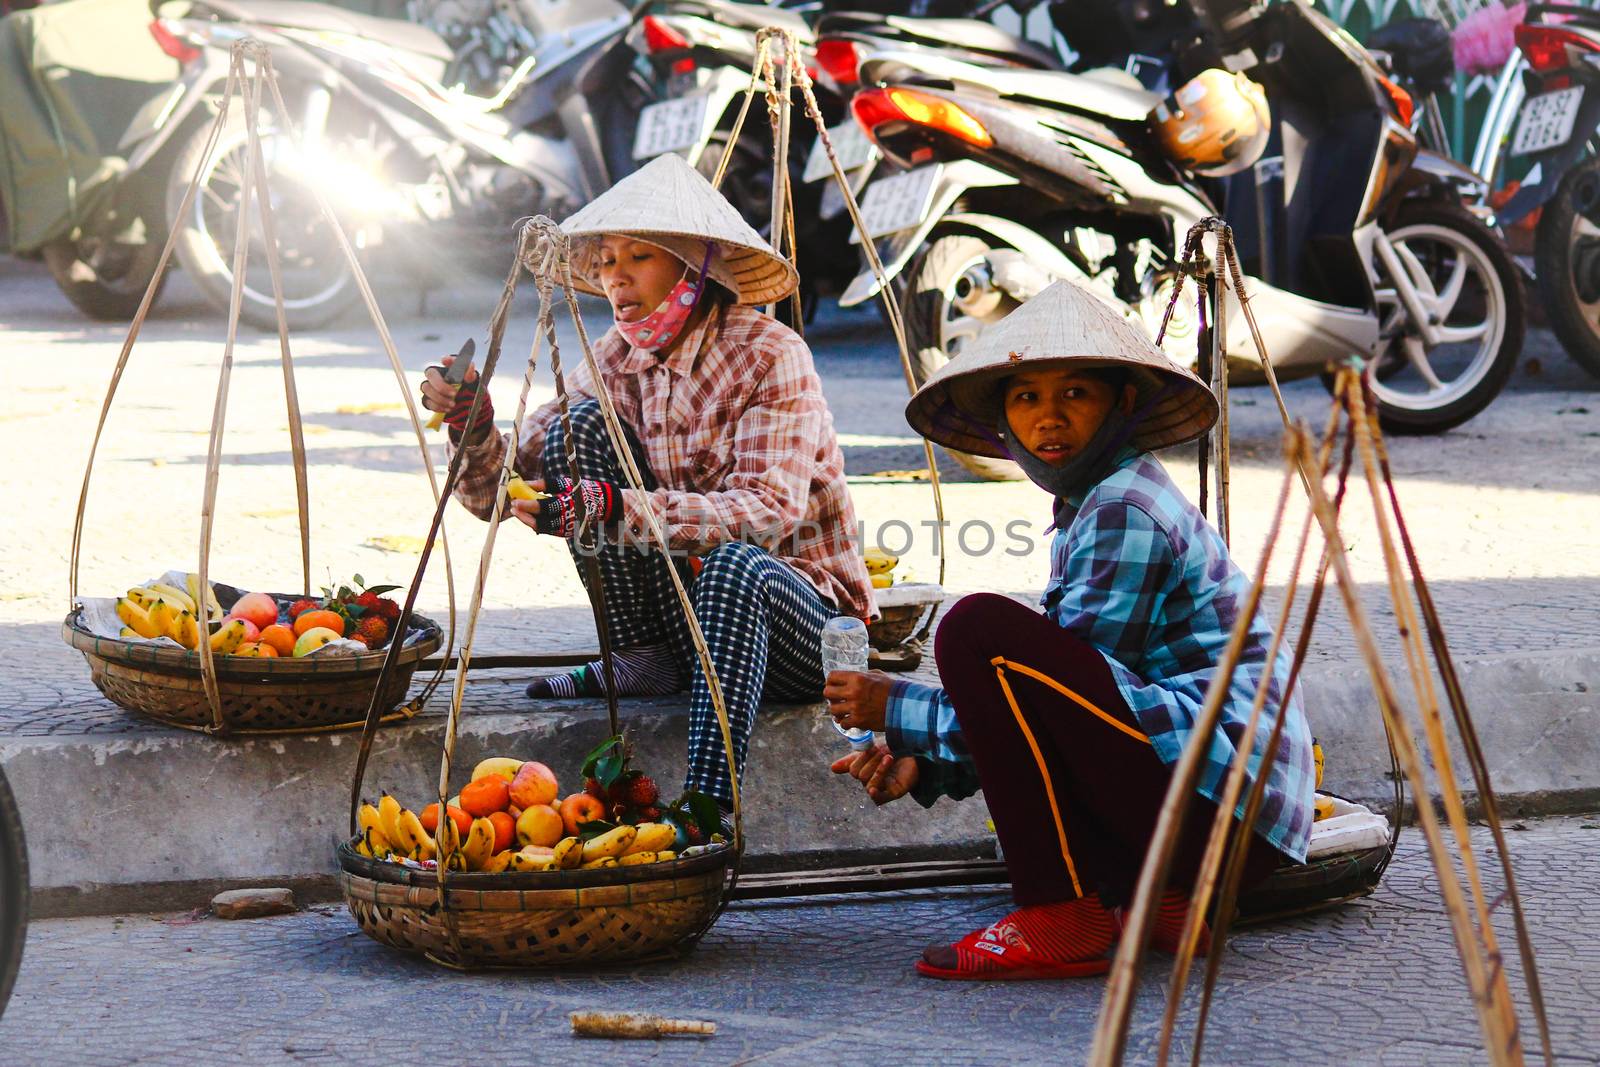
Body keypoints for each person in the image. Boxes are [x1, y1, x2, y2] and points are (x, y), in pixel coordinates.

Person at [823, 280, 1314, 980]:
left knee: (975, 631)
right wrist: (924, 760)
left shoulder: (1125, 509)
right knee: (998, 650)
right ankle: (1164, 901)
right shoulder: (1096, 502)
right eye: (1025, 398)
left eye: (1075, 394)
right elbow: (1051, 710)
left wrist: (894, 708)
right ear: (1004, 420)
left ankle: (1060, 915)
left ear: (1123, 404)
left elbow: (1058, 705)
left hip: (1225, 810)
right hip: (1221, 815)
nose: (1048, 417)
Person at [420, 153, 874, 813]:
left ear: (695, 266)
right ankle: (643, 655)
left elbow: (767, 512)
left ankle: (706, 808)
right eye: (606, 260)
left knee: (732, 567)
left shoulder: (772, 355)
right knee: (582, 426)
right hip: (689, 622)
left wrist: (614, 507)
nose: (617, 277)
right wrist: (474, 425)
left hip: (800, 627)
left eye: (640, 257)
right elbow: (500, 492)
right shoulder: (614, 358)